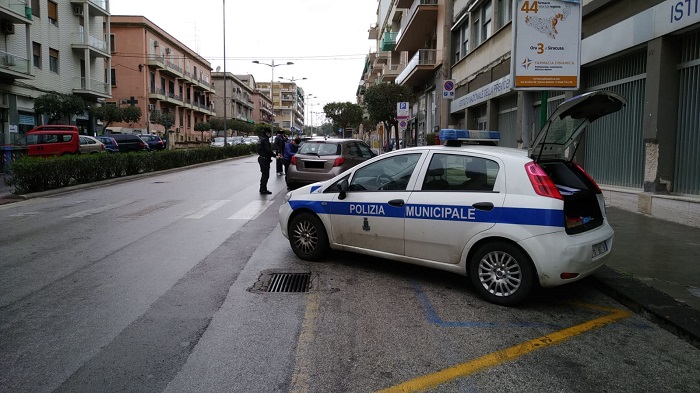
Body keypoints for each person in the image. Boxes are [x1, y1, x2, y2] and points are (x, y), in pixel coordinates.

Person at [257, 129, 274, 194]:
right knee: (265, 175)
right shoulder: (265, 140)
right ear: (267, 133)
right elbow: (268, 150)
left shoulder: (261, 139)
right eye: (269, 133)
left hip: (261, 158)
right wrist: (274, 155)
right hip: (264, 159)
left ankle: (263, 188)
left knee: (264, 174)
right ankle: (263, 189)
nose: (270, 134)